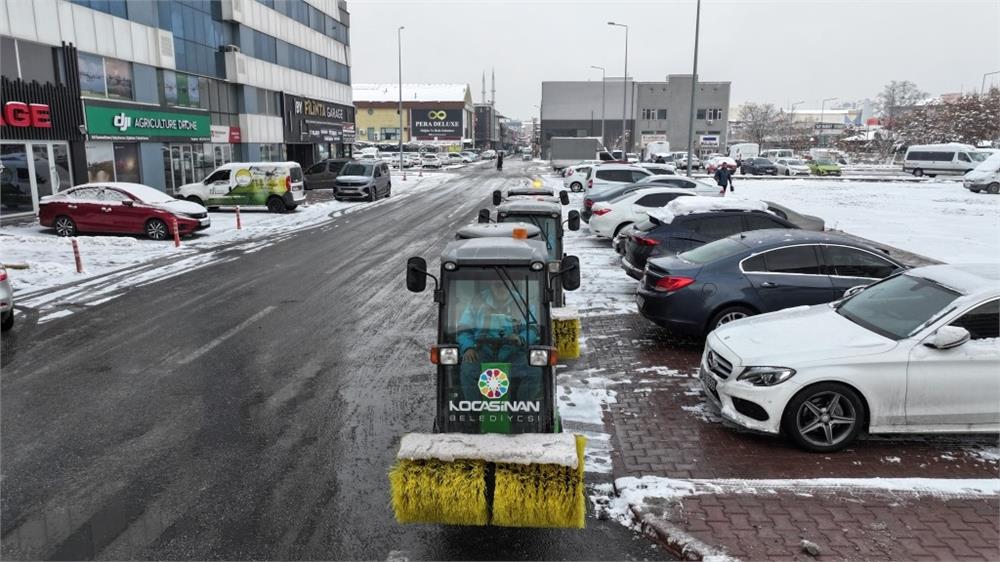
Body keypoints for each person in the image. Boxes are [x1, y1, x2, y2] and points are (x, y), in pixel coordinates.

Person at [456, 280, 539, 402]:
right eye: (498, 285)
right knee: (468, 369)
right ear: (491, 285)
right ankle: (475, 412)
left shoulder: (521, 303)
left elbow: (531, 328)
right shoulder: (477, 302)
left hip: (513, 352)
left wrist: (521, 339)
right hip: (483, 351)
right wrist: (468, 347)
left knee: (534, 372)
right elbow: (464, 328)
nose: (502, 288)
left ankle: (523, 409)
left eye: (505, 285)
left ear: (510, 284)